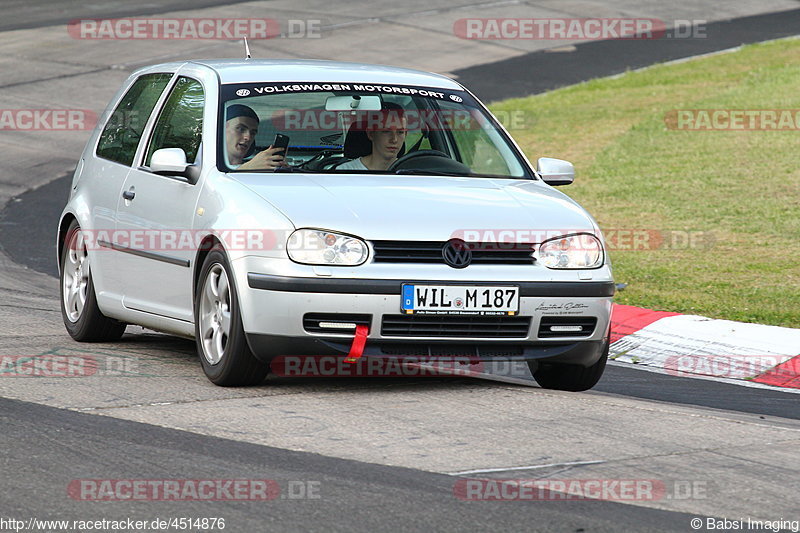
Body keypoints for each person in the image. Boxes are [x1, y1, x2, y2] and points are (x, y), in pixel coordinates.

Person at [337, 103, 407, 171]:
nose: (394, 139)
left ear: (405, 135)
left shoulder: (412, 171)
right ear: (371, 134)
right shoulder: (345, 171)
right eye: (386, 131)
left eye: (400, 132)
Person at [224, 104, 285, 170]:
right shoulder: (212, 168)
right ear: (222, 130)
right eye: (241, 129)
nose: (248, 137)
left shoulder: (262, 167)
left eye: (253, 133)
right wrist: (248, 168)